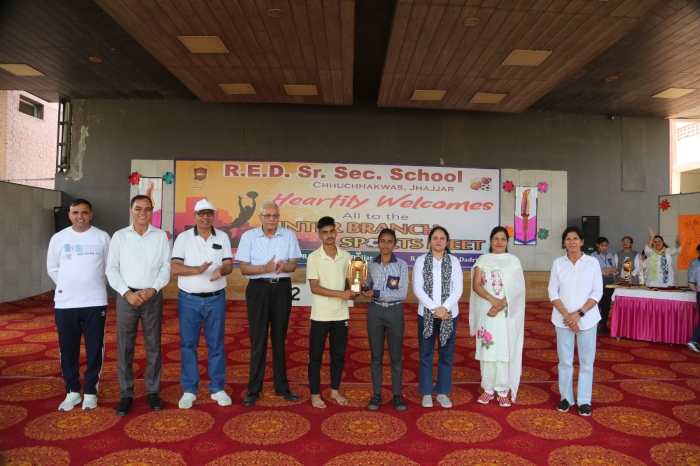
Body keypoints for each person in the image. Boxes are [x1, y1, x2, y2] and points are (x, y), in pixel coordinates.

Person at [106, 195, 171, 416]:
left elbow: (166, 267)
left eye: (147, 208)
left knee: (154, 345)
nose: (143, 212)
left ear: (152, 211)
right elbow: (111, 269)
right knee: (125, 347)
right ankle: (126, 394)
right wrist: (126, 293)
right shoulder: (119, 236)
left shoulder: (160, 236)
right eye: (138, 208)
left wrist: (154, 289)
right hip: (127, 297)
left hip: (152, 295)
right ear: (130, 210)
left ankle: (153, 391)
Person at [47, 199, 111, 411]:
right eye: (75, 213)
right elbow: (52, 267)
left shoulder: (103, 237)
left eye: (84, 212)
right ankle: (72, 391)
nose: (80, 216)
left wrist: (93, 284)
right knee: (68, 348)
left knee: (94, 348)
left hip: (95, 302)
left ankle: (91, 391)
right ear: (69, 215)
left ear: (91, 214)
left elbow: (110, 267)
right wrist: (69, 285)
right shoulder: (59, 238)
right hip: (65, 303)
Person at [235, 201, 301, 407]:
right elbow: (243, 268)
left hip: (282, 289)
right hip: (258, 289)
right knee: (258, 340)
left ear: (278, 217)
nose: (271, 219)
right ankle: (254, 389)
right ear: (260, 217)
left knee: (279, 339)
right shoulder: (249, 236)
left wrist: (283, 266)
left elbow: (293, 265)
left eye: (275, 216)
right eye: (267, 215)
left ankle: (282, 387)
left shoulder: (289, 235)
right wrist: (264, 268)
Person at [171, 199, 233, 409]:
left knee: (216, 344)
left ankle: (217, 387)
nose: (205, 217)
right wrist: (197, 270)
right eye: (201, 213)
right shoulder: (183, 238)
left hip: (216, 299)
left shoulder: (222, 237)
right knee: (188, 345)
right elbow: (175, 267)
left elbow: (228, 265)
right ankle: (189, 389)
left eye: (209, 213)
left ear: (213, 216)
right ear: (195, 216)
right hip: (188, 299)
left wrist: (221, 270)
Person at [548, 226, 602, 416]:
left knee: (586, 361)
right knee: (565, 361)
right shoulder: (558, 263)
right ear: (564, 242)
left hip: (587, 320)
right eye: (568, 239)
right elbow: (553, 291)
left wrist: (578, 314)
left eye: (575, 238)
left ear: (582, 241)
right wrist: (567, 315)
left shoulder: (592, 263)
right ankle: (566, 398)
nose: (572, 242)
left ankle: (584, 400)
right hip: (562, 320)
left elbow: (597, 292)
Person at [469, 226, 526, 408]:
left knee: (504, 350)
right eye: (496, 238)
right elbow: (476, 285)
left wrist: (501, 304)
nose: (499, 242)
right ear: (490, 241)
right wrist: (493, 301)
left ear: (507, 242)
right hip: (487, 310)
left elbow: (518, 287)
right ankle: (487, 389)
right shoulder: (483, 260)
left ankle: (502, 390)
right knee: (487, 350)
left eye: (503, 239)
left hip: (506, 312)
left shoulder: (513, 261)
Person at [306, 216, 355, 409]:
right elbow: (314, 288)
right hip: (320, 315)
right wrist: (341, 294)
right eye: (324, 232)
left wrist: (356, 290)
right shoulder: (313, 257)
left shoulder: (347, 256)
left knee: (338, 356)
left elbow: (350, 284)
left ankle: (335, 391)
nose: (329, 235)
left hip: (341, 314)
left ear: (336, 232)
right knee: (315, 357)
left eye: (331, 231)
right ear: (319, 234)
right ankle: (315, 395)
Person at [413, 226, 463, 409]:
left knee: (446, 354)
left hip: (449, 315)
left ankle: (442, 392)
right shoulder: (421, 261)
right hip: (426, 314)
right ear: (430, 241)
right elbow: (417, 288)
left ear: (447, 242)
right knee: (426, 354)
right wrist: (436, 309)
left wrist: (445, 308)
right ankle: (426, 392)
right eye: (435, 238)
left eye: (442, 238)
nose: (439, 241)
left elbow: (458, 288)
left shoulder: (454, 262)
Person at [361, 229, 409, 411]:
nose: (386, 245)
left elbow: (402, 293)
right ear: (378, 243)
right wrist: (359, 285)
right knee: (376, 356)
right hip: (375, 312)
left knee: (396, 357)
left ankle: (397, 396)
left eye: (389, 241)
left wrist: (377, 293)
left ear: (395, 244)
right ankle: (377, 395)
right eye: (382, 241)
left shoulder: (402, 265)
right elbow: (368, 285)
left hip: (395, 312)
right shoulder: (371, 264)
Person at [591, 237, 615, 333]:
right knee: (597, 303)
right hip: (598, 281)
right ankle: (595, 326)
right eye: (602, 245)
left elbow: (614, 268)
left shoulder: (610, 255)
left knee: (606, 304)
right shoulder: (593, 256)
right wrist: (608, 270)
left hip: (609, 281)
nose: (604, 247)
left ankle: (603, 325)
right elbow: (598, 271)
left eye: (606, 246)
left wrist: (608, 270)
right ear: (597, 245)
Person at [686, 244, 700, 353]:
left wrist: (697, 292)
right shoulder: (695, 264)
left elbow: (691, 282)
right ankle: (694, 340)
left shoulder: (696, 265)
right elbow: (691, 283)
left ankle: (694, 340)